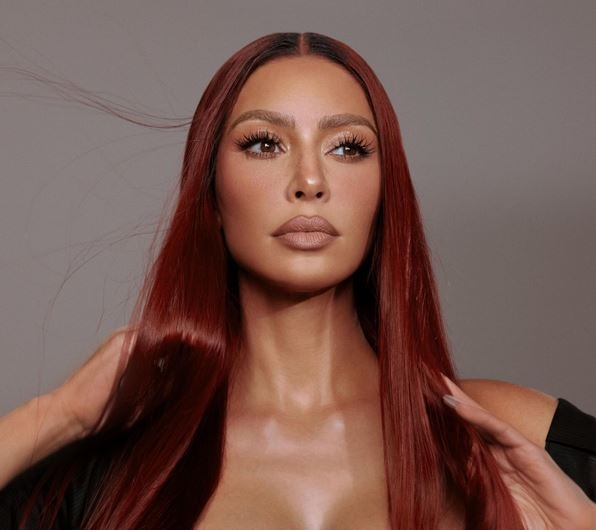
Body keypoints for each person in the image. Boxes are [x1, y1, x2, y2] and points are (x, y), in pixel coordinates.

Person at [0, 32, 594, 530]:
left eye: (347, 148)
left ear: (385, 194)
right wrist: (57, 417)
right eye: (264, 143)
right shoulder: (121, 469)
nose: (309, 181)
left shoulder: (516, 440)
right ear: (210, 194)